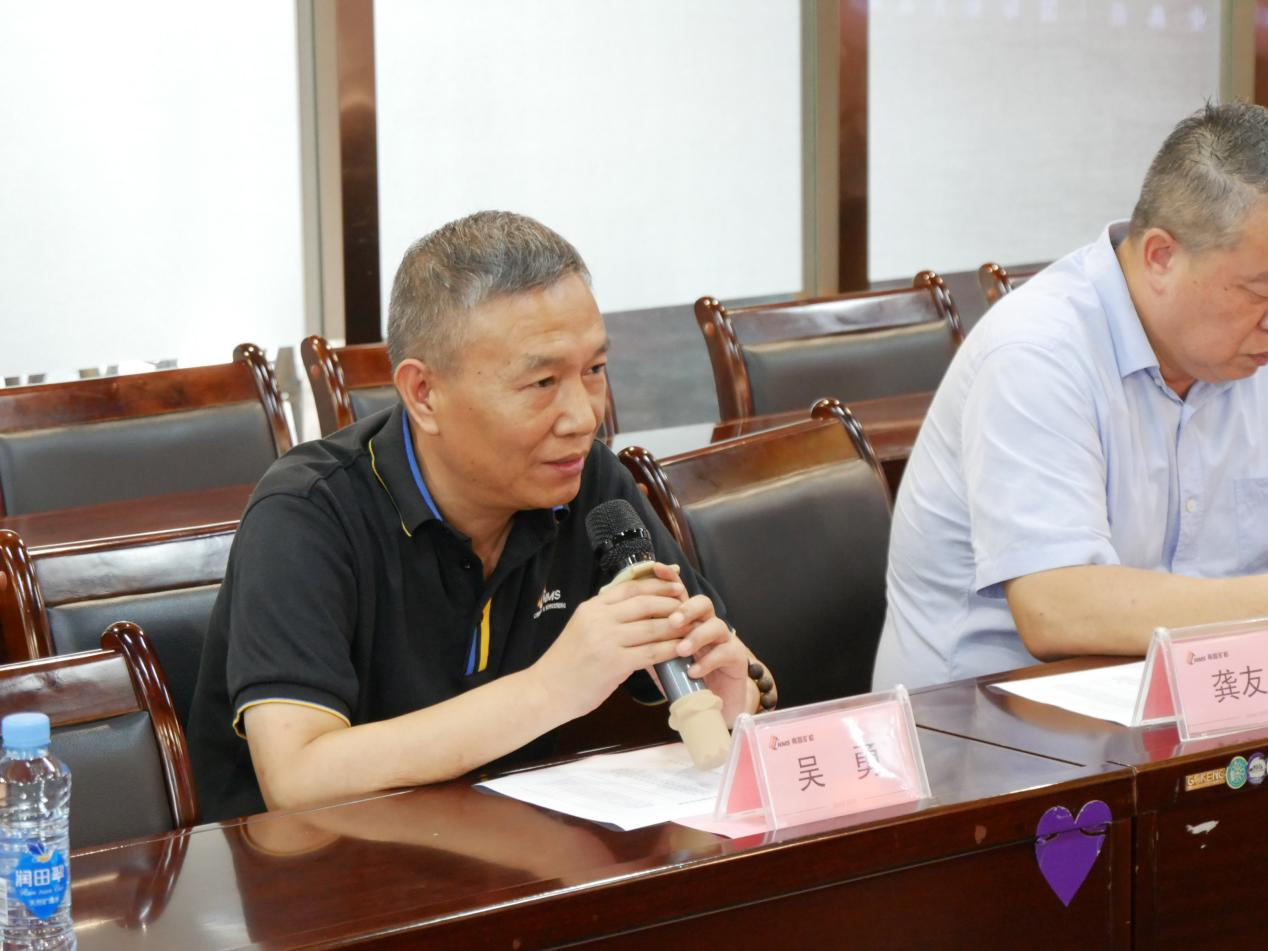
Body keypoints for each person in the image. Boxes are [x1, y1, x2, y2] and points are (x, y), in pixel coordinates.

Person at [188, 211, 769, 821]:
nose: (584, 417)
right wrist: (551, 689)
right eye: (542, 382)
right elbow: (298, 778)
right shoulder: (308, 513)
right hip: (325, 869)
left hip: (513, 846)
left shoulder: (585, 482)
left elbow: (739, 669)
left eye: (594, 370)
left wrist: (736, 696)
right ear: (424, 394)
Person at [873, 101, 1268, 690]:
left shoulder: (1239, 354)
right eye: (1260, 291)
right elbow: (1058, 606)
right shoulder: (1036, 352)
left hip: (1185, 706)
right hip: (985, 725)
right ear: (1162, 256)